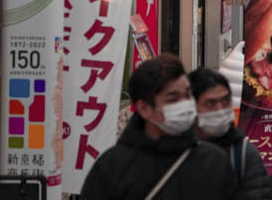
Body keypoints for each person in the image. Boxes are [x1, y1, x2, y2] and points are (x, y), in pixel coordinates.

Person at [80, 53, 238, 200]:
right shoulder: (112, 168)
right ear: (144, 108)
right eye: (173, 99)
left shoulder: (213, 162)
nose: (185, 104)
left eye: (188, 95)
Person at [188, 68, 271, 200]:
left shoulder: (242, 153)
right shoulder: (177, 150)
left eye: (225, 101)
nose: (220, 110)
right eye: (210, 104)